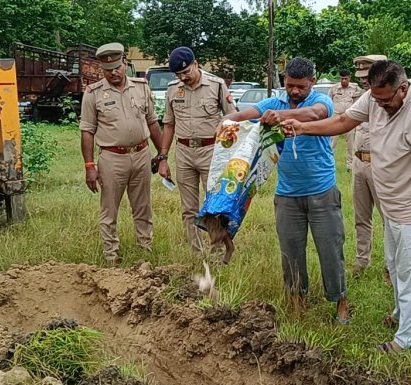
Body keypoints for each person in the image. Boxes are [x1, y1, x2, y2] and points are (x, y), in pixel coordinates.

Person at [283, 60, 411, 352]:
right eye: (376, 99)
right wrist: (303, 127)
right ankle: (401, 314)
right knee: (395, 265)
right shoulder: (376, 97)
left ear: (403, 88)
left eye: (386, 100)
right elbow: (342, 122)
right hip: (391, 205)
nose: (380, 105)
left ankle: (408, 339)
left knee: (410, 273)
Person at [220, 57, 349, 323]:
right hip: (287, 194)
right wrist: (227, 122)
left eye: (301, 87)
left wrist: (283, 116)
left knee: (330, 250)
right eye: (290, 85)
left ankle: (340, 303)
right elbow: (245, 114)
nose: (294, 91)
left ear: (312, 82)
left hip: (321, 190)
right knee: (291, 251)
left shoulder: (321, 101)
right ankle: (296, 302)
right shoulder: (273, 103)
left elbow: (315, 115)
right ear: (284, 81)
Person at [79, 42, 163, 266]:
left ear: (125, 64)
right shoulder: (93, 93)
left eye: (116, 67)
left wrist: (161, 154)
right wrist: (89, 166)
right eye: (107, 70)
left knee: (143, 206)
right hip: (112, 158)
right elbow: (87, 131)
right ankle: (111, 256)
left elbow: (153, 123)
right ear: (101, 69)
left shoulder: (141, 87)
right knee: (109, 210)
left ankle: (145, 250)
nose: (113, 73)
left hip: (142, 154)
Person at [156, 47, 236, 256]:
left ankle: (218, 253)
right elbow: (169, 124)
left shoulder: (217, 86)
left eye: (186, 72)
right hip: (183, 152)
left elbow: (234, 117)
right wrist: (163, 157)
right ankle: (197, 253)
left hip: (211, 151)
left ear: (196, 64)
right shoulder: (173, 89)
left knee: (214, 206)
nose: (183, 78)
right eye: (178, 75)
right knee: (188, 208)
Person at [350, 55, 386, 275]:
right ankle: (362, 260)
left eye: (368, 75)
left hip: (380, 165)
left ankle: (391, 265)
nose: (364, 80)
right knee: (361, 217)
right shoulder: (363, 99)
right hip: (359, 162)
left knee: (388, 219)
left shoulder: (388, 99)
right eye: (361, 76)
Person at [328, 69, 361, 166]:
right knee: (332, 142)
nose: (344, 81)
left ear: (349, 78)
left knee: (351, 143)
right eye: (342, 79)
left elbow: (358, 102)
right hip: (336, 118)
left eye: (346, 79)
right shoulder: (334, 88)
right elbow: (329, 102)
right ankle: (330, 162)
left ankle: (350, 164)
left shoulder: (355, 88)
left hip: (349, 118)